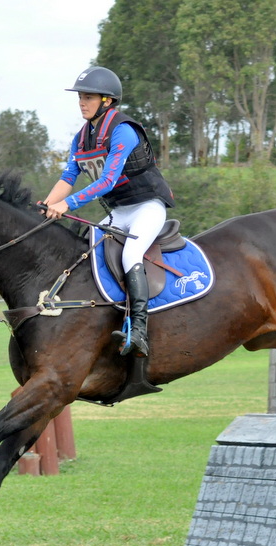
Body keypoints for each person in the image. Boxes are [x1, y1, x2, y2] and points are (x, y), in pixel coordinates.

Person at [42, 66, 175, 358]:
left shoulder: (123, 131)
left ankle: (139, 329)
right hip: (120, 211)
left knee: (130, 255)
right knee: (87, 252)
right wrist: (47, 204)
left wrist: (68, 205)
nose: (81, 103)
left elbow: (107, 181)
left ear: (107, 101)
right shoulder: (81, 138)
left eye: (88, 97)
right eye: (80, 97)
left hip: (147, 207)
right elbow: (68, 177)